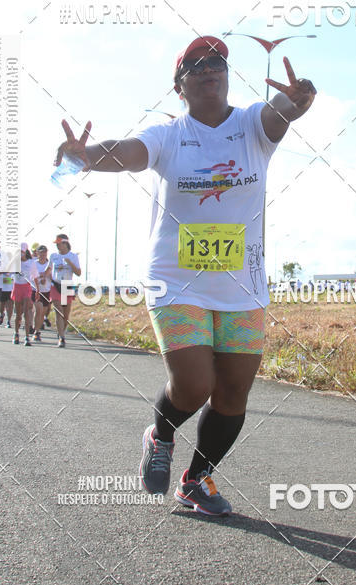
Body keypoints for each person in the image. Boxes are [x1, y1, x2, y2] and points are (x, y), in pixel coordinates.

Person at [54, 35, 316, 516]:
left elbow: (281, 112)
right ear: (179, 87)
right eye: (195, 65)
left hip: (243, 284)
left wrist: (299, 99)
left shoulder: (251, 125)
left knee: (233, 392)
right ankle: (160, 435)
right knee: (195, 385)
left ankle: (196, 480)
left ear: (227, 75)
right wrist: (87, 156)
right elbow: (126, 152)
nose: (209, 68)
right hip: (176, 281)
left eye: (217, 61)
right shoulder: (168, 135)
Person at [48, 235, 81, 348]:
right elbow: (49, 269)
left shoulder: (73, 256)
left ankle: (61, 331)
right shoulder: (53, 256)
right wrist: (43, 276)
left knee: (65, 316)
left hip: (67, 285)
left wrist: (69, 263)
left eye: (59, 243)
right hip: (55, 285)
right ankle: (61, 338)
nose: (57, 246)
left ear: (65, 243)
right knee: (59, 311)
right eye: (56, 244)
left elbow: (78, 273)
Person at [11, 243, 40, 346]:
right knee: (18, 314)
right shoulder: (15, 262)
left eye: (22, 252)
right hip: (17, 287)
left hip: (27, 287)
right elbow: (8, 274)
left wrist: (37, 290)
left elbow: (35, 277)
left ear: (25, 252)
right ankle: (16, 333)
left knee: (27, 312)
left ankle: (27, 337)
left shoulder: (31, 262)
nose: (20, 254)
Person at [35, 246, 53, 330]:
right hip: (36, 291)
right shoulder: (34, 264)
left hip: (46, 290)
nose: (43, 255)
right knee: (38, 311)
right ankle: (36, 330)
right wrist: (40, 279)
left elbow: (53, 277)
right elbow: (31, 277)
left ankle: (38, 327)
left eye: (44, 253)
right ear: (37, 253)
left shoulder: (49, 264)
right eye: (41, 253)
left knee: (43, 313)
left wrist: (47, 277)